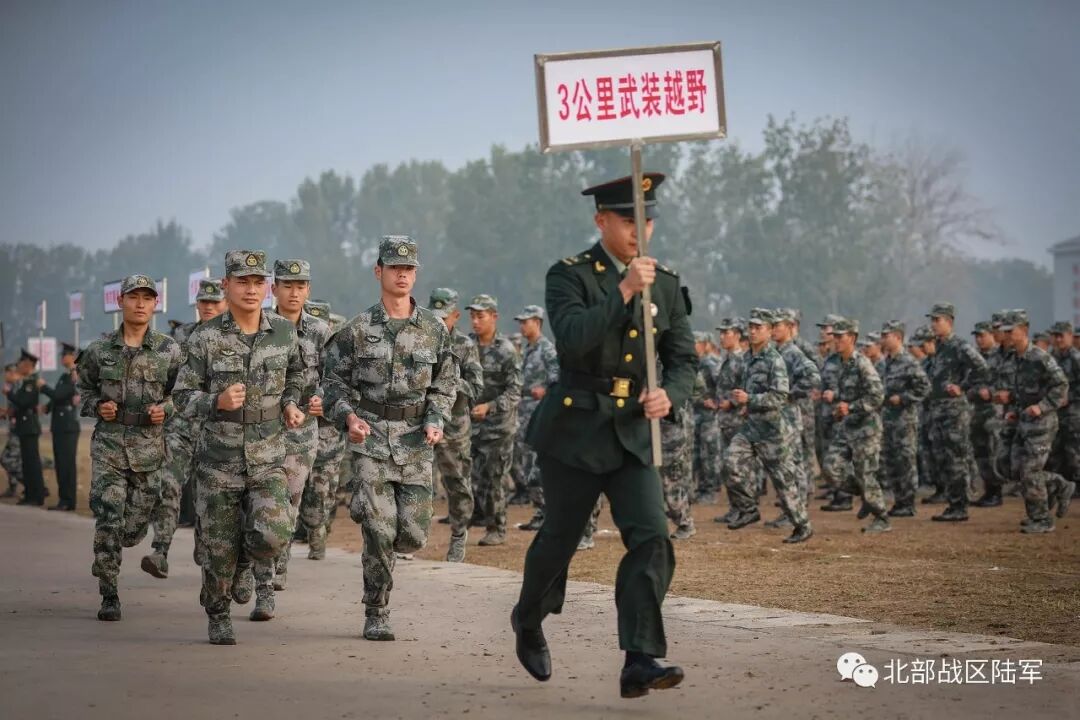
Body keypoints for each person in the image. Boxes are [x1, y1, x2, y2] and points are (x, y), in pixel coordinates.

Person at [513, 172, 696, 698]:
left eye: (649, 219)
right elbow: (571, 341)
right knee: (559, 541)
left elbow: (683, 360)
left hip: (633, 431)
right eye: (628, 220)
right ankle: (527, 619)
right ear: (602, 222)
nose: (642, 230)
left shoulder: (666, 283)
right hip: (575, 428)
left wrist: (672, 396)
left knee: (652, 536)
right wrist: (623, 290)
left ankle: (639, 656)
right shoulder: (569, 275)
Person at [322, 236, 456, 641]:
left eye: (409, 268)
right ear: (378, 271)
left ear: (416, 274)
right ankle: (376, 609)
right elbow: (332, 385)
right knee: (380, 531)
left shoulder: (434, 329)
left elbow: (445, 383)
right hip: (372, 440)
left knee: (412, 535)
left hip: (416, 443)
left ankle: (376, 517)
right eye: (394, 267)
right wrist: (347, 417)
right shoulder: (357, 330)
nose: (402, 274)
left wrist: (436, 418)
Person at [173, 250, 307, 644]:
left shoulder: (283, 331)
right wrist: (215, 401)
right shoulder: (206, 337)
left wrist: (291, 402)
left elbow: (298, 374)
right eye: (242, 281)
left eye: (257, 282)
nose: (251, 289)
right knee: (218, 550)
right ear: (226, 285)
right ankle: (218, 615)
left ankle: (247, 563)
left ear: (267, 287)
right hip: (219, 460)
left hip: (268, 454)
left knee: (274, 533)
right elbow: (181, 397)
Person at [77, 274, 182, 620]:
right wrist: (97, 407)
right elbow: (86, 390)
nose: (140, 304)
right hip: (109, 447)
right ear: (121, 301)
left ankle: (121, 542)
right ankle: (109, 593)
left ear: (155, 304)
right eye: (134, 297)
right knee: (109, 515)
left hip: (149, 450)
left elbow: (180, 394)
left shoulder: (169, 350)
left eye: (147, 298)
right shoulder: (99, 350)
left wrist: (164, 409)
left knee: (132, 527)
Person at [141, 278, 226, 579]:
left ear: (225, 303)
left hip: (215, 430)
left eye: (214, 302)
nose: (208, 307)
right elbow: (166, 382)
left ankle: (205, 549)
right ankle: (160, 550)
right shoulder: (180, 337)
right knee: (168, 485)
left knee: (208, 495)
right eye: (203, 302)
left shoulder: (235, 338)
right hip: (180, 426)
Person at [1000, 311, 1071, 533]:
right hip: (1023, 422)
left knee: (1030, 470)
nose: (1006, 335)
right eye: (1004, 332)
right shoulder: (1014, 359)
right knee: (1015, 469)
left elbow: (1061, 386)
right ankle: (1059, 484)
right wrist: (1012, 408)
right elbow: (1019, 392)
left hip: (1042, 423)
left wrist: (1042, 406)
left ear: (1024, 330)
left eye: (1010, 331)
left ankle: (1041, 519)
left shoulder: (1040, 357)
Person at [429, 288, 484, 562]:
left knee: (457, 482)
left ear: (455, 315)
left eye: (445, 317)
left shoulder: (464, 345)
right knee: (414, 479)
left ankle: (459, 535)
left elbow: (477, 386)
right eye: (435, 316)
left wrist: (451, 382)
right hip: (423, 420)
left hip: (454, 425)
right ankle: (408, 538)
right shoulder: (422, 339)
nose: (440, 322)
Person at [925, 303, 990, 522]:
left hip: (954, 412)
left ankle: (960, 505)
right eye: (932, 320)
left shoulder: (960, 346)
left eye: (937, 320)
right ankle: (953, 503)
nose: (933, 324)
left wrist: (963, 388)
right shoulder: (940, 346)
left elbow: (982, 368)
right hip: (939, 411)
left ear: (949, 322)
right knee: (943, 459)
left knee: (956, 459)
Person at [823, 319, 890, 533]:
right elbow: (846, 393)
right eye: (834, 336)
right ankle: (865, 495)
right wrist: (837, 402)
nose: (836, 341)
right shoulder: (837, 362)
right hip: (847, 427)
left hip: (866, 429)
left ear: (851, 338)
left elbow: (877, 396)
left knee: (866, 473)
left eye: (840, 337)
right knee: (831, 468)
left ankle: (881, 517)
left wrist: (850, 407)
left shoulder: (862, 363)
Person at [466, 294, 522, 546]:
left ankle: (497, 528)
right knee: (474, 475)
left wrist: (489, 407)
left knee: (496, 477)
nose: (475, 322)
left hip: (499, 426)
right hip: (471, 425)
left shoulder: (507, 351)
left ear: (494, 317)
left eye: (481, 316)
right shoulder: (466, 346)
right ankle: (476, 516)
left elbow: (514, 392)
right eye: (473, 317)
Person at [513, 305, 558, 530]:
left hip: (539, 414)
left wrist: (545, 391)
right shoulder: (527, 349)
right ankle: (541, 512)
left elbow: (557, 379)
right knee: (525, 464)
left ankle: (547, 512)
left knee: (535, 467)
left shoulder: (547, 350)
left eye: (526, 321)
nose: (522, 325)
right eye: (520, 322)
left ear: (537, 322)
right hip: (524, 413)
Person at [878, 321, 930, 517]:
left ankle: (908, 503)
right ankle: (899, 501)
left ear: (898, 337)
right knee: (892, 461)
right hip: (888, 420)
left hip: (904, 420)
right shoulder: (886, 363)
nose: (883, 339)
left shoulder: (908, 361)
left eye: (886, 335)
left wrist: (904, 398)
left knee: (905, 461)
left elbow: (924, 387)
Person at [42, 342, 81, 511]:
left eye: (64, 355)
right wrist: (48, 406)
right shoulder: (64, 377)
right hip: (59, 425)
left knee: (66, 464)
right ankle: (63, 498)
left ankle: (68, 500)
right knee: (60, 463)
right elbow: (57, 397)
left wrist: (42, 386)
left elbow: (59, 394)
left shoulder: (75, 376)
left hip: (68, 426)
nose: (61, 358)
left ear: (72, 357)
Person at [6, 348, 46, 506]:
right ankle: (30, 494)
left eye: (21, 364)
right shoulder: (26, 382)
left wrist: (9, 393)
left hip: (30, 427)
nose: (18, 367)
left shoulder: (32, 382)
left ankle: (37, 496)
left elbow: (24, 402)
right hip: (24, 427)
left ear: (28, 365)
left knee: (33, 464)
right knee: (27, 463)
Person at [1, 364, 24, 499]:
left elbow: (19, 407)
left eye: (7, 373)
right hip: (15, 429)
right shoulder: (14, 387)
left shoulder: (17, 386)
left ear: (12, 373)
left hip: (19, 431)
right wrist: (5, 413)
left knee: (6, 458)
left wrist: (5, 412)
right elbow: (13, 410)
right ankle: (13, 487)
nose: (5, 376)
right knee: (14, 459)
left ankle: (29, 484)